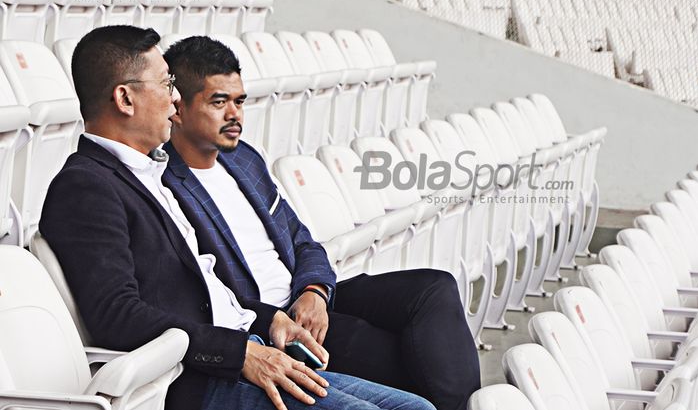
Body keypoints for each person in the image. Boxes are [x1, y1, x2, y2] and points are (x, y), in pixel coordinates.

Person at [39, 25, 436, 410]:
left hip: (251, 348)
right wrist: (240, 354)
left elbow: (204, 290)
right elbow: (117, 316)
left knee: (415, 406)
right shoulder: (85, 187)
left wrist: (271, 319)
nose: (176, 101)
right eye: (165, 85)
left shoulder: (147, 173)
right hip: (192, 380)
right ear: (125, 99)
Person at [161, 35, 481, 410]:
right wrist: (281, 314)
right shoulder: (165, 184)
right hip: (268, 323)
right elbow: (201, 291)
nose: (235, 115)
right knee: (407, 356)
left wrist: (315, 290)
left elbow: (302, 240)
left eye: (240, 101)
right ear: (177, 109)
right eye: (219, 102)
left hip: (305, 298)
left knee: (433, 287)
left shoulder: (243, 160)